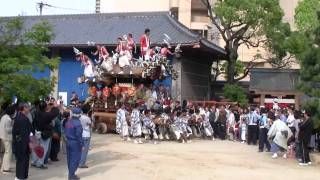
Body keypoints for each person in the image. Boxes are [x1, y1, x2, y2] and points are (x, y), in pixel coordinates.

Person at [32, 101, 59, 169]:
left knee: (36, 148)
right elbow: (54, 113)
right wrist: (55, 107)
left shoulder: (36, 113)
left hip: (36, 132)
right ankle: (40, 163)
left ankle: (34, 162)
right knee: (43, 148)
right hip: (44, 133)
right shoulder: (46, 115)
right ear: (45, 107)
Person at [12, 103, 33, 180]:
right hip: (22, 144)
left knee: (21, 161)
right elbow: (25, 133)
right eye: (27, 107)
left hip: (18, 142)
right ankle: (20, 177)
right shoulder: (23, 119)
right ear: (24, 108)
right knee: (23, 161)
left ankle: (19, 176)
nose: (29, 109)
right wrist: (30, 143)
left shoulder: (18, 117)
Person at [65, 108, 84, 180]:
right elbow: (78, 135)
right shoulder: (78, 124)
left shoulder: (68, 122)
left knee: (69, 159)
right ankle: (71, 175)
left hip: (68, 142)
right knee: (75, 159)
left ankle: (71, 173)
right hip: (75, 143)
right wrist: (82, 145)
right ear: (79, 115)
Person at [0, 105, 15, 173]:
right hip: (7, 137)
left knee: (6, 152)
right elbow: (8, 130)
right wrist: (13, 126)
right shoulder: (8, 119)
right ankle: (6, 168)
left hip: (2, 136)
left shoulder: (3, 117)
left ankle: (4, 166)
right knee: (8, 153)